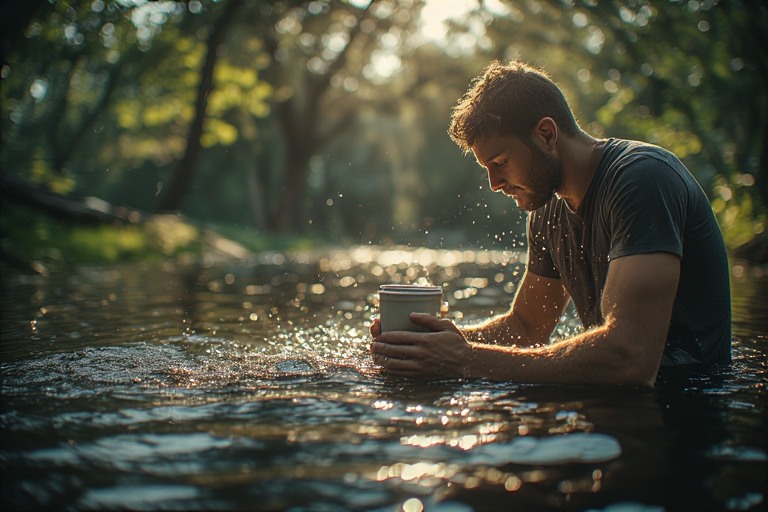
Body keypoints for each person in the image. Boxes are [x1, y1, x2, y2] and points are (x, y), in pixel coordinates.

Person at [369, 60, 731, 387]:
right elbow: (526, 327)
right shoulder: (547, 210)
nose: (494, 184)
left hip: (688, 415)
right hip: (609, 413)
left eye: (500, 162)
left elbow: (630, 359)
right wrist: (429, 346)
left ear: (546, 134)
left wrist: (465, 360)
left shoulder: (643, 180)